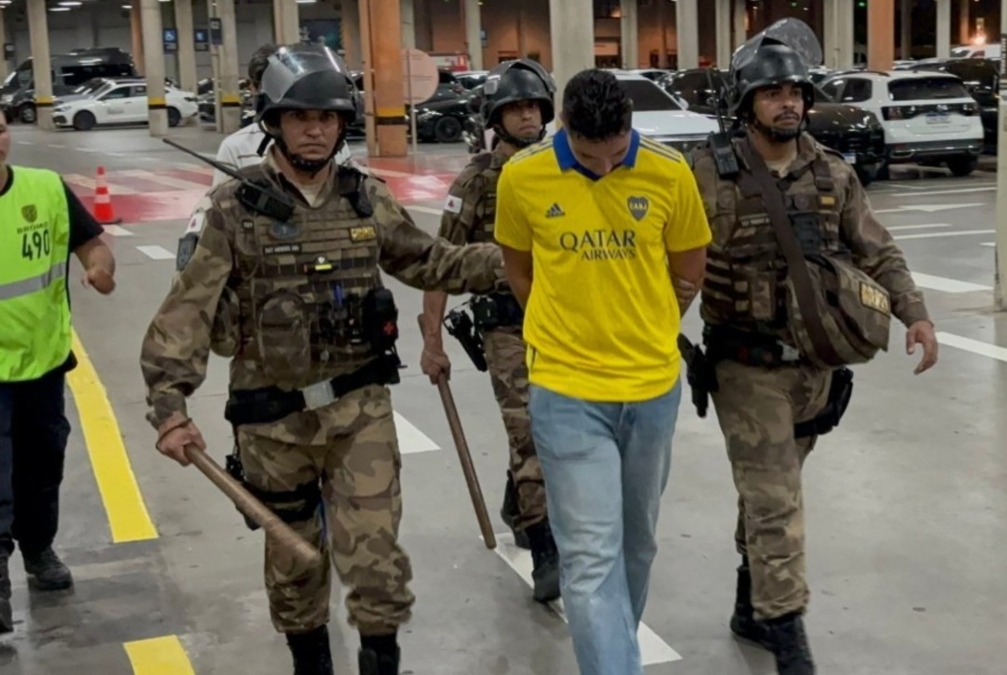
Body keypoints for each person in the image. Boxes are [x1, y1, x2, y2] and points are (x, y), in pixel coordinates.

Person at [139, 43, 503, 675]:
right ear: (274, 121)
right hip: (270, 424)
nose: (315, 129)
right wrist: (168, 402)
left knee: (377, 559)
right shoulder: (233, 208)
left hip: (358, 409)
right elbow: (188, 308)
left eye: (328, 117)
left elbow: (431, 260)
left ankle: (380, 664)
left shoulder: (367, 199)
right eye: (301, 117)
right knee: (295, 566)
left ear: (342, 124)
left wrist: (517, 262)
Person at [687, 18, 939, 675]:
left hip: (818, 368)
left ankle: (750, 603)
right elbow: (669, 268)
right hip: (745, 365)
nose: (788, 102)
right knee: (777, 500)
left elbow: (875, 248)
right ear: (748, 103)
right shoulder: (706, 175)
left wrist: (914, 314)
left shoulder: (831, 171)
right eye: (773, 93)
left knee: (772, 489)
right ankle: (789, 636)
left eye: (796, 91)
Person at [493, 69, 711, 675]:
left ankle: (616, 651)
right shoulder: (523, 177)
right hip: (566, 391)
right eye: (592, 157)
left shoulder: (669, 172)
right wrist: (570, 326)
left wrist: (650, 318)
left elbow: (688, 264)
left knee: (636, 545)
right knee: (589, 557)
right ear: (565, 130)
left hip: (651, 390)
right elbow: (520, 269)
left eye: (618, 154)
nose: (607, 167)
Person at [418, 59, 561, 601]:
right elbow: (441, 263)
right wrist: (432, 340)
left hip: (566, 325)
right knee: (530, 430)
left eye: (533, 107)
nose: (526, 116)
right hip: (507, 328)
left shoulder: (563, 169)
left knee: (559, 429)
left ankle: (518, 499)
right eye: (515, 109)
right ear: (496, 118)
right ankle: (547, 551)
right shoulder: (478, 181)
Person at [0, 115, 116, 632]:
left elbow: (92, 244)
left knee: (41, 469)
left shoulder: (46, 189)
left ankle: (39, 550)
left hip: (43, 367)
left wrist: (101, 268)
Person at [211, 42, 353, 187]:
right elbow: (225, 199)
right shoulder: (235, 147)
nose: (315, 131)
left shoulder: (332, 144)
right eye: (298, 116)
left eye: (326, 117)